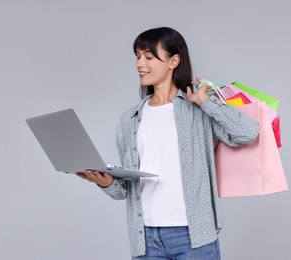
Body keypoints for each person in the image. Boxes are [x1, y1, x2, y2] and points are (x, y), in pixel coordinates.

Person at [77, 27, 259, 259]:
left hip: (194, 235)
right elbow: (124, 192)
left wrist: (206, 102)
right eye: (138, 56)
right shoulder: (130, 119)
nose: (139, 63)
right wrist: (104, 182)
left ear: (174, 61)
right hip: (145, 237)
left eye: (149, 56)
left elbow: (247, 132)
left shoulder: (198, 109)